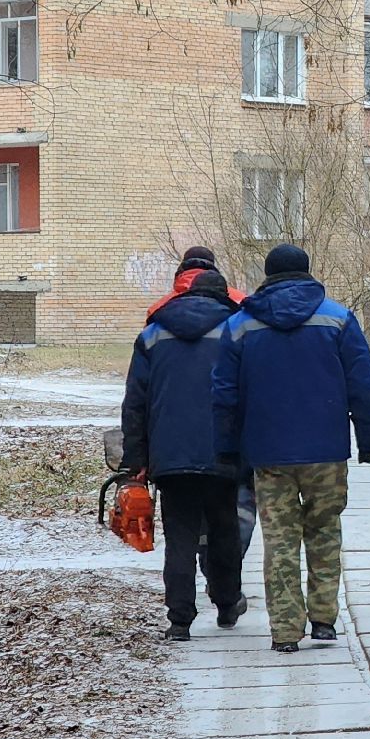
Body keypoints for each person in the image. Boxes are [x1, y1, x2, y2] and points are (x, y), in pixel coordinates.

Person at [212, 244, 370, 653]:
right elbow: (362, 384)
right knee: (324, 530)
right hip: (326, 451)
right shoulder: (338, 319)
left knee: (280, 539)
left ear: (267, 276)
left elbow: (224, 393)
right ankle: (323, 619)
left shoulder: (240, 325)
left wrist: (226, 447)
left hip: (268, 453)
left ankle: (286, 631)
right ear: (307, 273)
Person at [120, 269, 247, 642]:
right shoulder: (236, 330)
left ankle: (179, 620)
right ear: (223, 296)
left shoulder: (153, 334)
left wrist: (136, 459)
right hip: (222, 449)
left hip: (170, 454)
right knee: (224, 529)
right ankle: (226, 603)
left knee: (179, 536)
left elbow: (136, 404)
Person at [145, 246, 258, 561]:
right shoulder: (238, 304)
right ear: (215, 270)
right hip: (228, 430)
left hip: (172, 436)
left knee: (182, 519)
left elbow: (147, 384)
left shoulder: (159, 312)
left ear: (180, 274)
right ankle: (223, 566)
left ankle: (188, 580)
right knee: (237, 504)